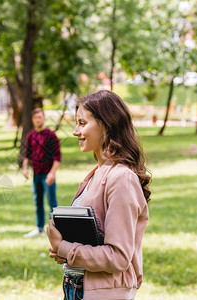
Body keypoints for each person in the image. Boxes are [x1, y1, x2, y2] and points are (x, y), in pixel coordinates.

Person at [46, 90, 151, 300]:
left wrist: (64, 247)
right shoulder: (96, 174)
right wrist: (65, 253)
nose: (75, 131)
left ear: (106, 125)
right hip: (78, 287)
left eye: (82, 123)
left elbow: (118, 258)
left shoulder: (121, 178)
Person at [23, 107, 61, 238]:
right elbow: (27, 154)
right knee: (38, 200)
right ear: (33, 119)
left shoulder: (51, 135)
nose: (38, 120)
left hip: (47, 173)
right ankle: (39, 228)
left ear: (44, 118)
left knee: (52, 201)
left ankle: (56, 229)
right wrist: (25, 168)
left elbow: (57, 157)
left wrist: (52, 173)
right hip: (36, 173)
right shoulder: (31, 135)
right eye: (35, 117)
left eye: (40, 117)